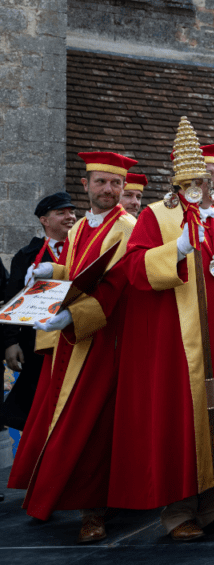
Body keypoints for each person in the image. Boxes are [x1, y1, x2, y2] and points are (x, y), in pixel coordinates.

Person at [108, 134, 214, 541]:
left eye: (209, 173)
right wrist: (176, 250)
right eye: (193, 176)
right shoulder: (158, 217)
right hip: (180, 339)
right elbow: (135, 269)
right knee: (185, 418)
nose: (203, 180)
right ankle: (179, 513)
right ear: (178, 179)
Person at [7, 153, 137, 543]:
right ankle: (58, 492)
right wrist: (54, 272)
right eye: (101, 182)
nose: (109, 190)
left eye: (116, 184)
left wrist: (76, 317)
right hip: (70, 343)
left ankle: (93, 507)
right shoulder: (80, 227)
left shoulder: (129, 226)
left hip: (106, 338)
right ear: (86, 185)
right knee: (60, 419)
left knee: (93, 424)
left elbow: (119, 283)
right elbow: (80, 272)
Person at [1, 193, 76, 433]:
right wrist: (10, 343)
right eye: (61, 213)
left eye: (72, 212)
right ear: (44, 220)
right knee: (36, 409)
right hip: (36, 344)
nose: (70, 217)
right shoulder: (26, 255)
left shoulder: (83, 249)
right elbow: (13, 299)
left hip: (76, 336)